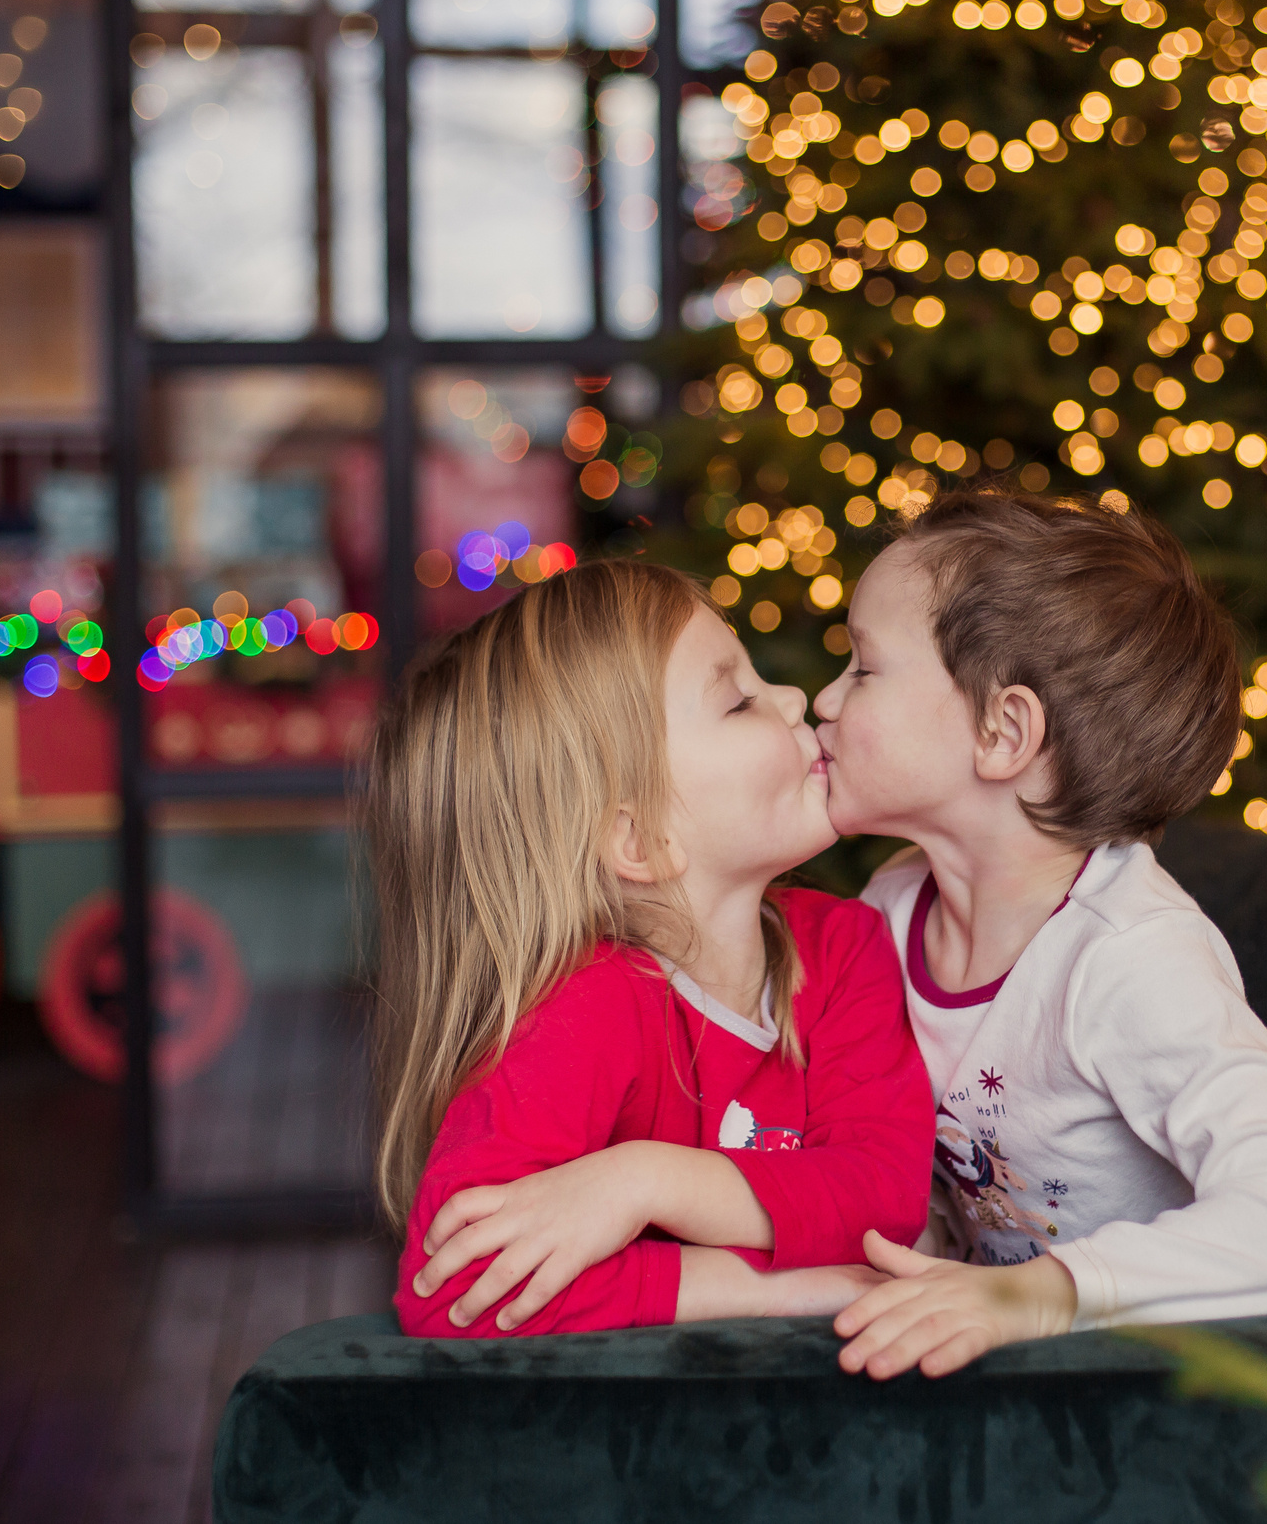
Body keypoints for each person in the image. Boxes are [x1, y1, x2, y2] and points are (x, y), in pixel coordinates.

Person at [813, 490, 1267, 1380]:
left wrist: (1044, 1293)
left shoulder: (1130, 955)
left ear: (1004, 731)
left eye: (862, 667)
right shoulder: (889, 906)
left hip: (1145, 1392)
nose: (823, 697)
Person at [367, 558, 933, 1337]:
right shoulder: (582, 1010)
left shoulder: (846, 945)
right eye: (739, 701)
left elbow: (883, 1196)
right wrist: (779, 1286)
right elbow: (453, 1286)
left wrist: (643, 1181)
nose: (797, 698)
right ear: (641, 838)